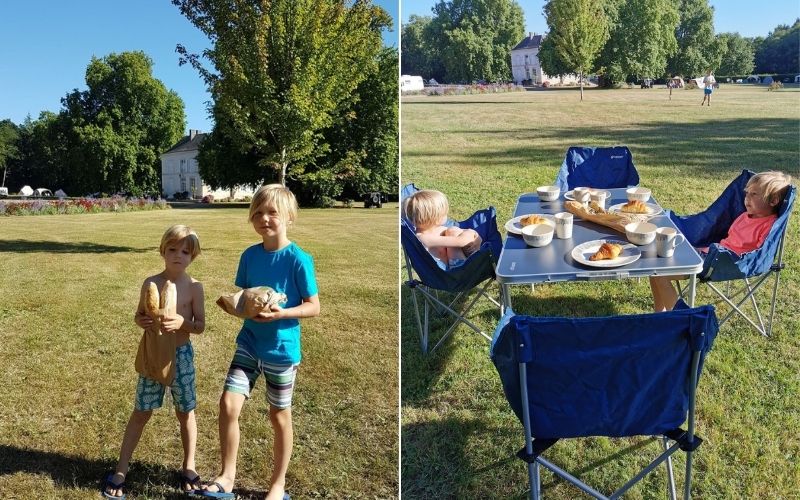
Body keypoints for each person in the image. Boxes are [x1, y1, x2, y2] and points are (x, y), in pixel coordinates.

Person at [198, 184, 320, 500]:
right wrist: (231, 305)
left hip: (281, 349)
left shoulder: (298, 259)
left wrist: (281, 313)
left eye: (272, 213)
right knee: (228, 404)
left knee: (278, 415)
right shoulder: (250, 256)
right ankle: (226, 477)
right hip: (250, 343)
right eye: (258, 213)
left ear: (289, 217)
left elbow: (313, 305)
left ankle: (277, 485)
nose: (264, 218)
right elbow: (243, 299)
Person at [102, 225, 206, 498]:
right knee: (141, 411)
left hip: (181, 356)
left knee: (185, 412)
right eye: (172, 249)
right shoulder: (151, 282)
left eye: (185, 252)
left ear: (192, 257)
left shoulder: (195, 288)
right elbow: (139, 316)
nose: (177, 256)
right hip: (153, 353)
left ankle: (189, 465)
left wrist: (183, 322)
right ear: (163, 251)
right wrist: (142, 320)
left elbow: (200, 326)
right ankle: (122, 468)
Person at [650, 171, 792, 311]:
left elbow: (758, 253)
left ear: (773, 201)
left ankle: (678, 321)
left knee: (661, 273)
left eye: (754, 194)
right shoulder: (744, 216)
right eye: (746, 193)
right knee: (656, 267)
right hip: (711, 254)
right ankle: (659, 315)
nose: (746, 198)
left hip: (725, 263)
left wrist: (712, 253)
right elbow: (728, 239)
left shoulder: (769, 225)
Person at [403, 189, 482, 268]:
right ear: (435, 219)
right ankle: (476, 260)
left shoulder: (440, 229)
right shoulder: (422, 238)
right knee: (453, 231)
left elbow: (465, 237)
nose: (446, 215)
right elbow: (462, 241)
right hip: (453, 274)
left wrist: (476, 236)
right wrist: (471, 233)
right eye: (444, 214)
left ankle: (476, 256)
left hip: (461, 266)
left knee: (453, 230)